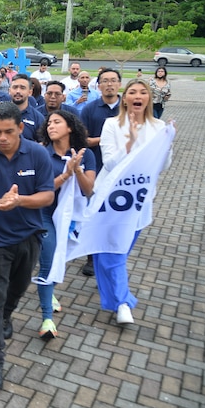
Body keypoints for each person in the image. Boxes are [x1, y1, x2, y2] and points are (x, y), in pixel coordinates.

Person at [0, 102, 55, 391]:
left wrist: (19, 201)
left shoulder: (38, 154)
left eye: (8, 132)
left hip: (29, 236)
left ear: (20, 128)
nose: (2, 138)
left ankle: (7, 314)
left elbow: (47, 196)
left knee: (17, 288)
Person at [95, 79, 171, 325]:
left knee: (116, 253)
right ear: (125, 98)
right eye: (132, 92)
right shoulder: (111, 124)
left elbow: (161, 166)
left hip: (138, 201)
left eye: (143, 92)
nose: (138, 96)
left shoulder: (159, 127)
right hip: (110, 200)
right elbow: (109, 164)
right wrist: (129, 143)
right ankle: (122, 303)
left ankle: (115, 293)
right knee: (112, 253)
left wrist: (168, 145)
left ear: (149, 98)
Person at [35, 110, 96, 339]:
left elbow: (89, 190)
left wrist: (77, 170)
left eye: (57, 122)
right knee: (48, 262)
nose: (51, 126)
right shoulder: (41, 153)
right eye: (49, 123)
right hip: (44, 215)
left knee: (59, 258)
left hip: (70, 218)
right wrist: (65, 174)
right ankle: (47, 319)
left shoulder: (86, 154)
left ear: (70, 127)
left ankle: (49, 291)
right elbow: (40, 190)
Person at [79, 68, 122, 276]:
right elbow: (83, 140)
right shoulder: (90, 109)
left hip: (122, 172)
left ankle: (112, 257)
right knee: (94, 214)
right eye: (105, 81)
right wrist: (107, 139)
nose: (109, 84)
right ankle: (91, 258)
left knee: (116, 217)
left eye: (113, 80)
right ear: (99, 85)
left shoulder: (127, 108)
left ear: (119, 84)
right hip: (96, 168)